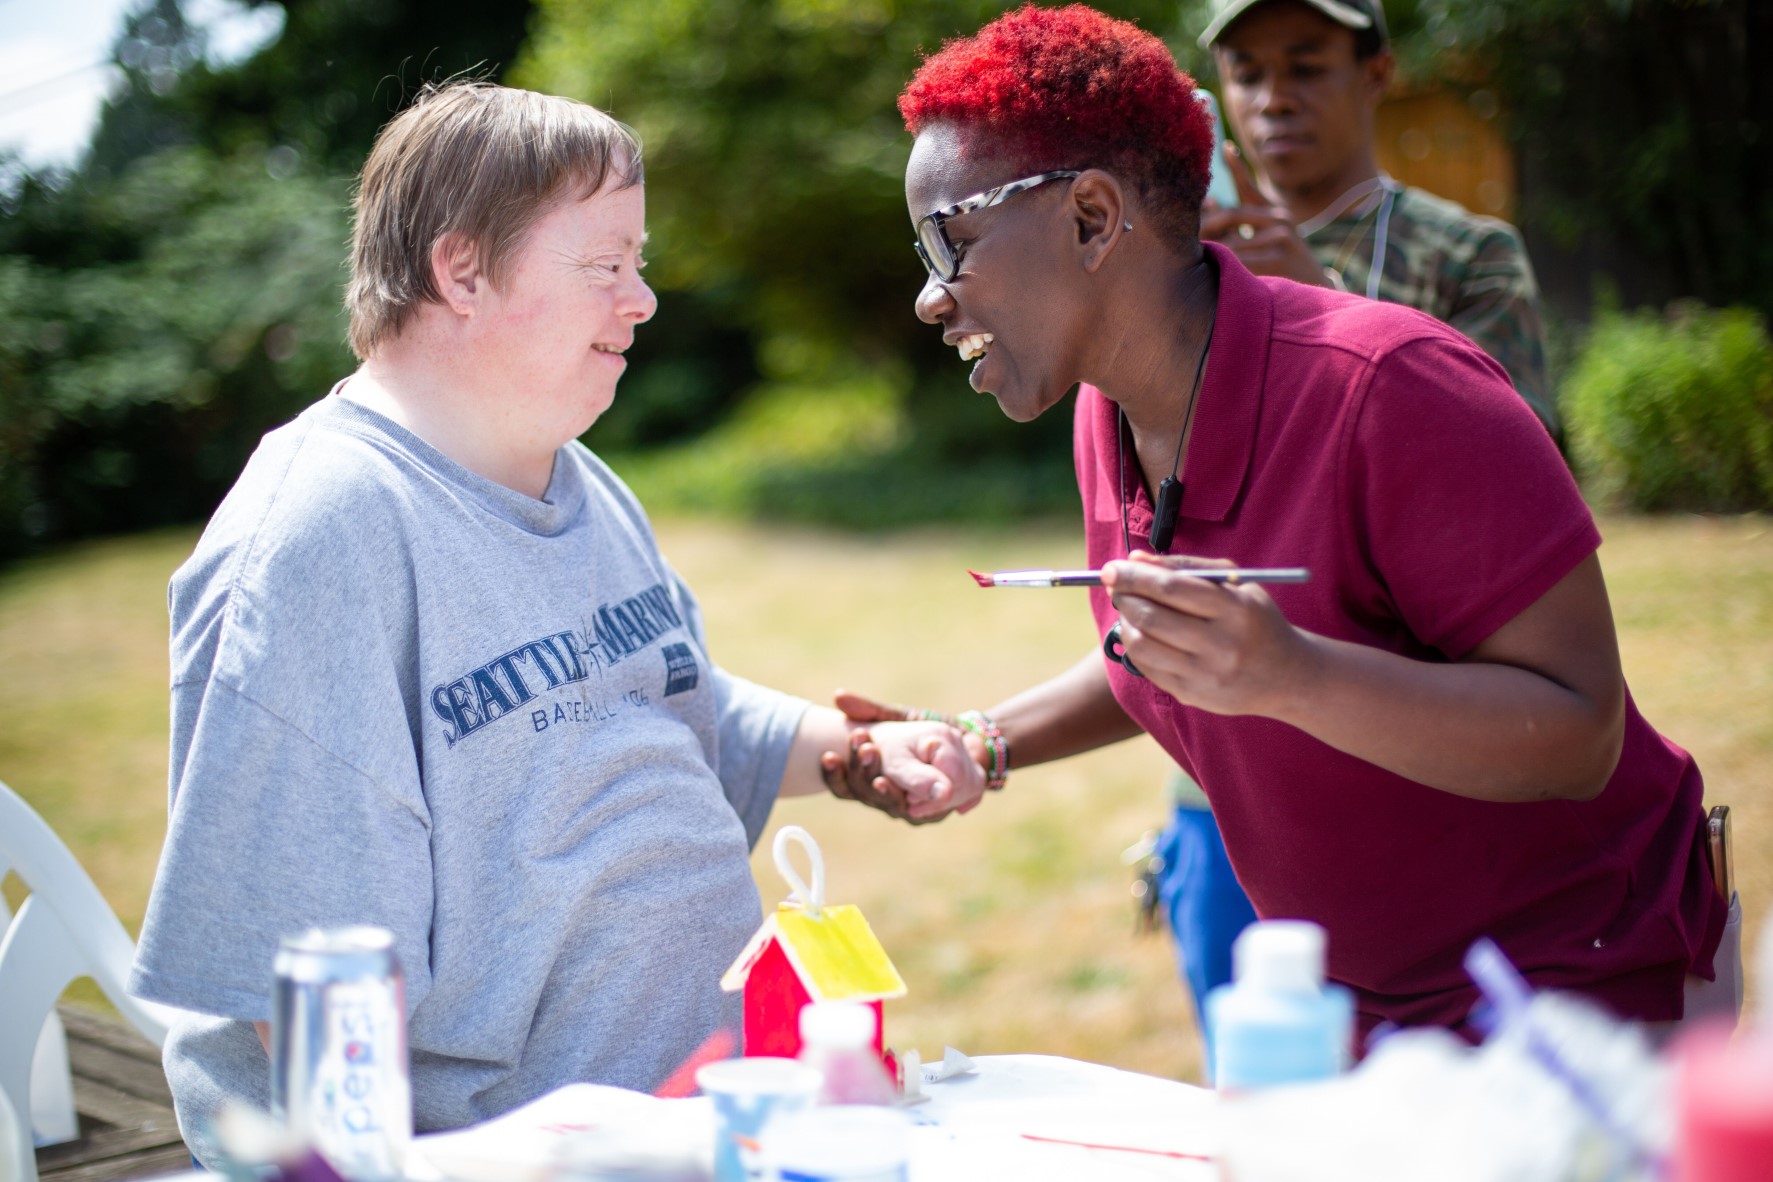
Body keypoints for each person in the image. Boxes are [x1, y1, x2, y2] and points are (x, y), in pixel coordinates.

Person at [826, 2, 1736, 1056]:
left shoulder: (1393, 386)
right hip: (1355, 1007)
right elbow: (1168, 653)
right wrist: (981, 741)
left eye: (951, 238)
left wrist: (1295, 675)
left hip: (1579, 992)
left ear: (1089, 217)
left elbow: (1582, 733)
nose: (932, 299)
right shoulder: (1105, 408)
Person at [126, 82, 981, 1166]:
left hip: (713, 1120)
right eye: (604, 265)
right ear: (462, 270)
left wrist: (849, 750)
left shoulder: (570, 474)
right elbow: (306, 1004)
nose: (643, 299)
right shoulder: (321, 539)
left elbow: (635, 693)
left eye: (639, 261)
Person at [1147, 0, 1563, 1054]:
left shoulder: (1462, 252)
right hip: (1224, 787)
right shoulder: (1171, 271)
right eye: (1245, 72)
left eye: (1308, 65)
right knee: (1265, 1101)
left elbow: (1529, 498)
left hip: (1415, 769)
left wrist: (1317, 307)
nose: (1274, 97)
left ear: (1376, 74)